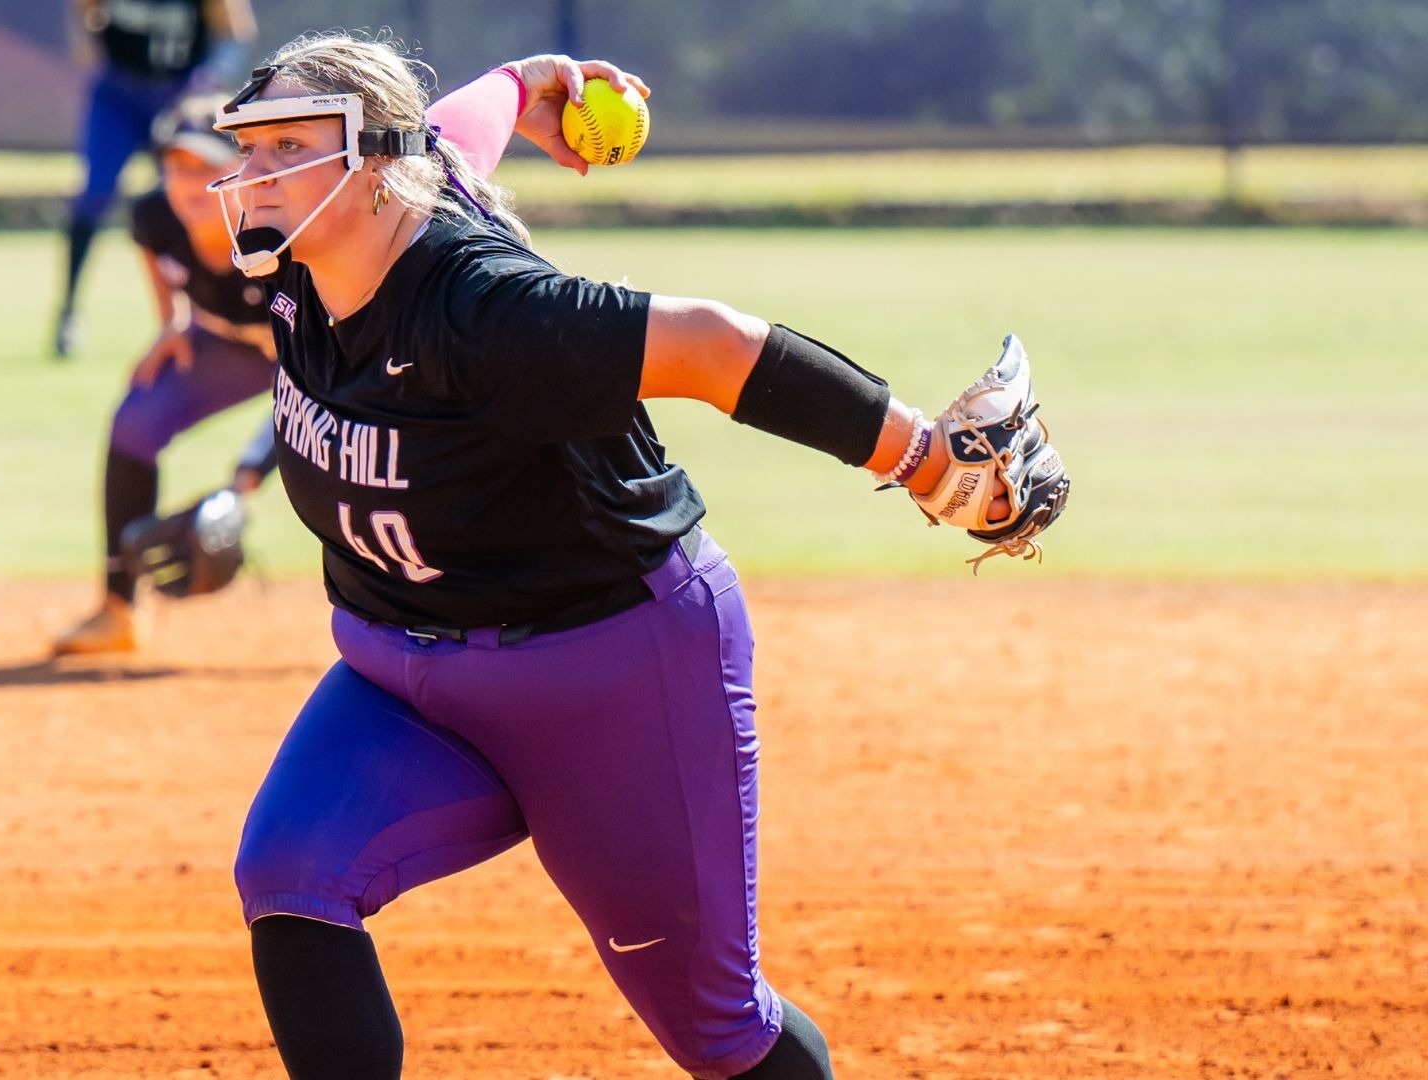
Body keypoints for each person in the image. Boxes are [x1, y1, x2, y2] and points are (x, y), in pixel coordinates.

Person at [213, 34, 1068, 1080]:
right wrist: (537, 81)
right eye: (247, 148)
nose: (252, 176)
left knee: (717, 1032)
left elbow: (714, 346)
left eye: (286, 147)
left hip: (612, 675)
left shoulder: (490, 313)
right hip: (400, 676)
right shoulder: (311, 254)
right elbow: (463, 127)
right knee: (292, 869)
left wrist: (933, 464)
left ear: (378, 162)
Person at [51, 93, 277, 656]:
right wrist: (172, 321)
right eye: (176, 166)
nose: (186, 181)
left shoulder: (281, 233)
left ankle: (383, 619)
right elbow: (154, 253)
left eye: (205, 166)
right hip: (228, 343)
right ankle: (117, 608)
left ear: (244, 171)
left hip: (318, 358)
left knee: (337, 471)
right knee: (135, 421)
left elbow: (315, 387)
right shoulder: (155, 212)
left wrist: (244, 481)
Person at [53, 0, 258, 359]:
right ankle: (68, 313)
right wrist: (85, 41)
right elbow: (81, 12)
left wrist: (209, 78)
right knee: (95, 194)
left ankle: (217, 310)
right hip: (119, 91)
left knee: (190, 193)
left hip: (177, 92)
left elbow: (236, 33)